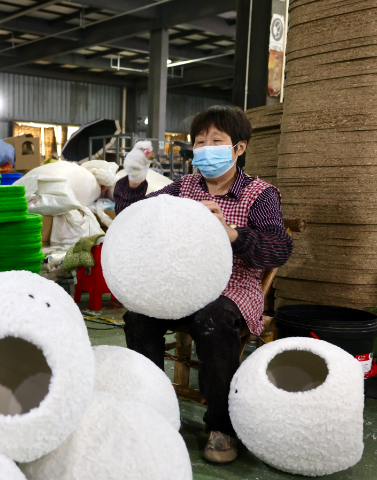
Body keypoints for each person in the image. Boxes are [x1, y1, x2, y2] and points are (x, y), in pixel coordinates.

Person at [114, 105, 293, 464]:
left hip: (234, 287)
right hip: (183, 282)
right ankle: (153, 407)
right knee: (137, 317)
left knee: (211, 320)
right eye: (200, 141)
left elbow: (278, 249)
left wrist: (232, 233)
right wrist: (134, 181)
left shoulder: (260, 194)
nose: (207, 148)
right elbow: (136, 218)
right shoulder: (185, 188)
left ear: (239, 148)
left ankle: (221, 425)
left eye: (217, 141)